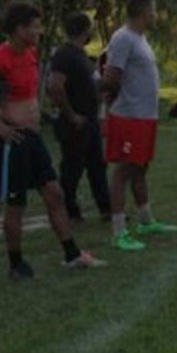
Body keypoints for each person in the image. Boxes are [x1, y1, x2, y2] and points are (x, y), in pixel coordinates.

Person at [0, 3, 105, 278]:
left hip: (33, 138)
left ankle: (72, 256)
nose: (39, 31)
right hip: (14, 140)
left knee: (55, 195)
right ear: (20, 29)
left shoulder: (31, 53)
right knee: (16, 204)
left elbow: (26, 94)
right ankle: (16, 265)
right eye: (35, 26)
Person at [101, 0, 177, 252]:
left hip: (145, 116)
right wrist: (108, 111)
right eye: (154, 11)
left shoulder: (140, 38)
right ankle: (118, 231)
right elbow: (112, 78)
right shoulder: (123, 38)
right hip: (129, 115)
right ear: (144, 12)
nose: (156, 16)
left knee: (140, 168)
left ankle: (145, 220)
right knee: (123, 171)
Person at [47, 12, 112, 222]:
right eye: (91, 27)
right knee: (72, 169)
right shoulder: (64, 54)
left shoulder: (80, 54)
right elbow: (55, 86)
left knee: (97, 166)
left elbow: (88, 84)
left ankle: (106, 209)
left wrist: (100, 93)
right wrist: (72, 115)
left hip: (90, 121)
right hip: (75, 123)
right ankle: (69, 211)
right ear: (85, 30)